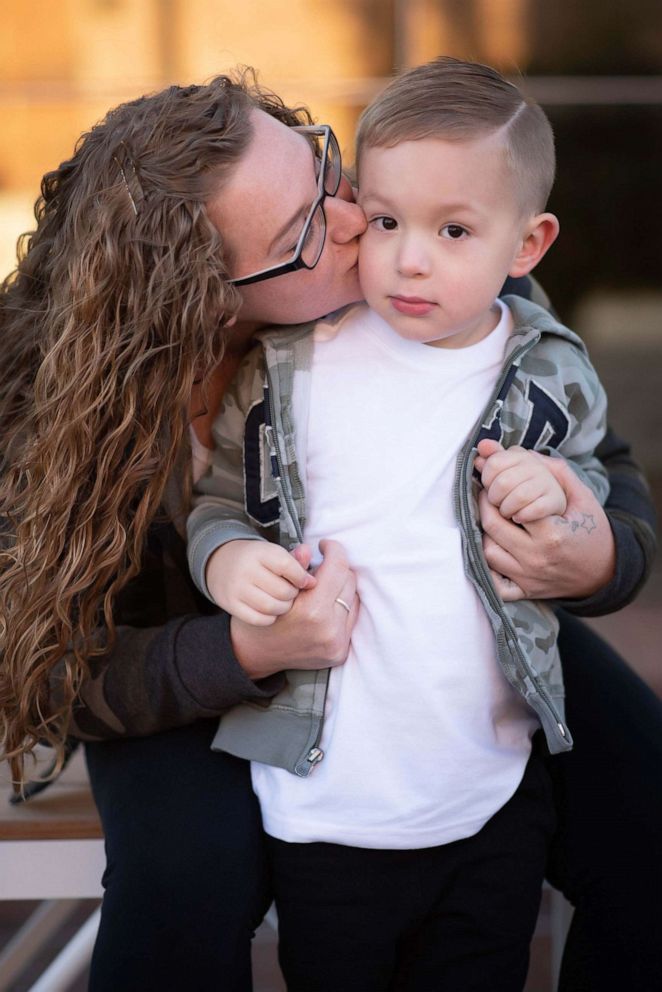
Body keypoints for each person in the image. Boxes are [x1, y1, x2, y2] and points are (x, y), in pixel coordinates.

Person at [0, 68, 656, 992]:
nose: (360, 225)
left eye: (325, 174)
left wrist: (597, 556)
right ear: (204, 296)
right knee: (186, 877)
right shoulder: (49, 408)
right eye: (305, 232)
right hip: (183, 660)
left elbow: (603, 464)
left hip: (443, 614)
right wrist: (240, 647)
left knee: (649, 814)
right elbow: (56, 673)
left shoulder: (428, 267)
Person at [186, 57, 611, 991]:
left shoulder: (547, 367)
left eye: (454, 230)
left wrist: (560, 496)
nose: (408, 258)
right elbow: (219, 499)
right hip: (329, 804)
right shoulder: (292, 366)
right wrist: (226, 566)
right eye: (384, 222)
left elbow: (591, 486)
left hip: (490, 790)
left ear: (527, 244)